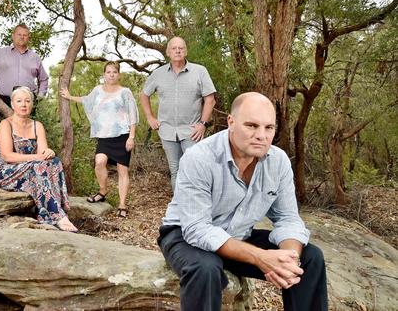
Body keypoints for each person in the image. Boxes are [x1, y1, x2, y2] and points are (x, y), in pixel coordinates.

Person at [157, 92, 328, 311]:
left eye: (269, 128)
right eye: (252, 126)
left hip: (236, 236)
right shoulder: (199, 157)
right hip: (184, 235)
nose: (261, 136)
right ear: (231, 122)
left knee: (311, 257)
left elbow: (287, 218)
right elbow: (197, 229)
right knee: (205, 269)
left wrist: (289, 259)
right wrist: (260, 257)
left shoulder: (278, 161)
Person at [0, 86, 78, 232]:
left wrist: (48, 152)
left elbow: (43, 153)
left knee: (54, 162)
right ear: (12, 104)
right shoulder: (6, 124)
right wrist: (37, 157)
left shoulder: (37, 126)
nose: (23, 104)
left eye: (27, 101)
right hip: (6, 171)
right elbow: (7, 156)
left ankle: (54, 210)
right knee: (37, 166)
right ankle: (56, 216)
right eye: (19, 101)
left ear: (32, 104)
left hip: (30, 167)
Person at [60, 62, 138, 218]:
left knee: (123, 171)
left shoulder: (125, 92)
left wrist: (131, 137)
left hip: (122, 136)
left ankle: (122, 204)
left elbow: (132, 115)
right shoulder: (97, 90)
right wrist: (69, 96)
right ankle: (103, 191)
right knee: (99, 162)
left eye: (114, 72)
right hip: (104, 136)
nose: (111, 74)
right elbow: (87, 100)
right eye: (108, 72)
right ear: (104, 75)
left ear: (119, 75)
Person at [140, 36, 216, 191]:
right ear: (168, 52)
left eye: (181, 48)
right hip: (167, 130)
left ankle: (195, 206)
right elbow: (144, 95)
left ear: (186, 51)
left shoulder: (200, 71)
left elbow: (210, 99)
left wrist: (202, 124)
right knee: (175, 171)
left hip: (192, 131)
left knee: (194, 170)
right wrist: (150, 117)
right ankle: (180, 208)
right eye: (174, 48)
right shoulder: (158, 74)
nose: (178, 51)